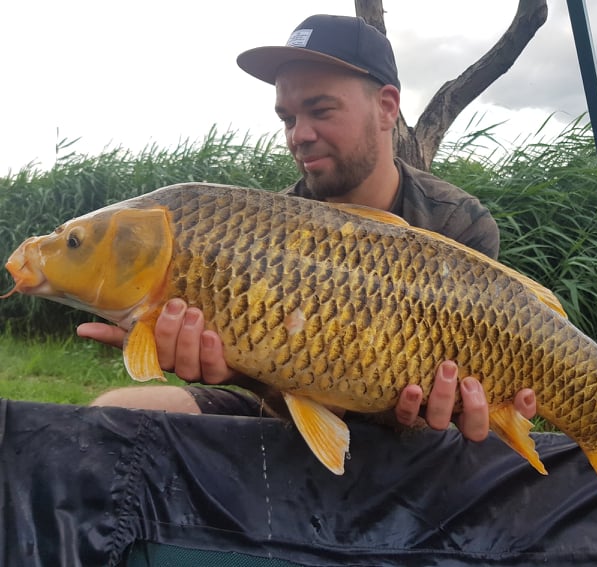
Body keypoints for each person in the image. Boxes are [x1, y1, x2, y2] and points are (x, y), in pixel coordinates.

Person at [81, 14, 536, 440]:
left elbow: (465, 399)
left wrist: (470, 409)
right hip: (289, 417)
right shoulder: (265, 229)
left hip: (408, 442)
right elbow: (287, 395)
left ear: (386, 108)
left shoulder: (455, 221)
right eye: (288, 118)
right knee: (115, 414)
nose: (299, 135)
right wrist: (237, 370)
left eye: (320, 110)